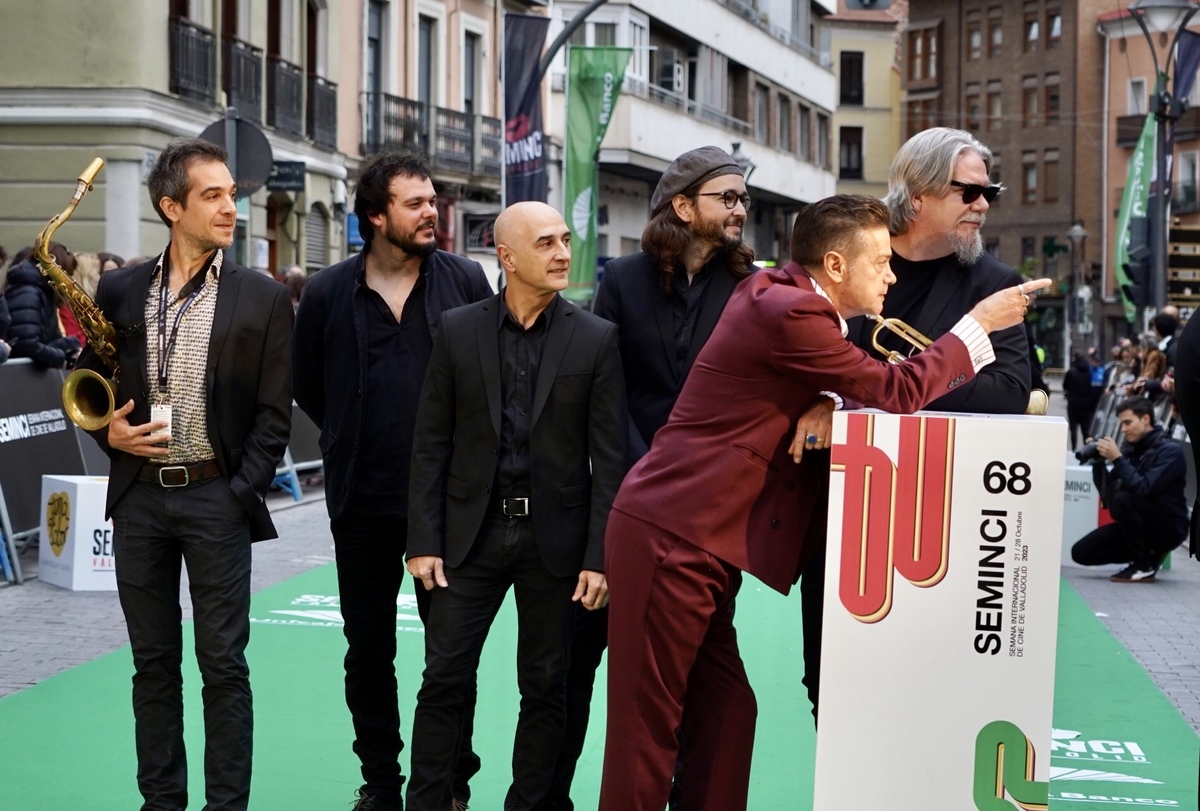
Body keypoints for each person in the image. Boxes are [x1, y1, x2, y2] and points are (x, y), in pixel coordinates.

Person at [599, 195, 1047, 811]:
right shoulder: (791, 311)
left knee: (728, 711)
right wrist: (978, 324)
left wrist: (830, 404)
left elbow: (827, 383)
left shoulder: (789, 300)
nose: (892, 275)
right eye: (881, 262)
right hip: (672, 534)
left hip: (696, 538)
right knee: (645, 730)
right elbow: (896, 389)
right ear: (836, 265)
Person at [74, 137, 293, 811]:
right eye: (213, 195)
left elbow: (273, 415)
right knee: (153, 665)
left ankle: (226, 805)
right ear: (172, 207)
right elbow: (88, 378)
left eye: (232, 193)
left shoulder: (262, 296)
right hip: (140, 499)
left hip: (215, 498)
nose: (231, 206)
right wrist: (102, 428)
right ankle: (161, 801)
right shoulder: (119, 287)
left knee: (224, 665)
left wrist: (236, 494)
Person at [799, 126, 1035, 721]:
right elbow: (799, 362)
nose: (983, 206)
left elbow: (1009, 393)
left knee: (923, 695)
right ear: (920, 192)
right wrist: (827, 396)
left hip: (939, 518)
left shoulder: (993, 285)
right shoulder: (846, 258)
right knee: (829, 683)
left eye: (990, 192)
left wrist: (886, 385)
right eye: (969, 192)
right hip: (839, 513)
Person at [548, 145, 754, 810]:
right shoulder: (625, 279)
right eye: (727, 197)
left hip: (713, 516)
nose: (740, 209)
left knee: (708, 685)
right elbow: (605, 392)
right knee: (611, 677)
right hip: (631, 501)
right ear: (684, 205)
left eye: (743, 199)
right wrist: (646, 477)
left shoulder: (753, 287)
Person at [405, 201, 626, 811]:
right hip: (466, 537)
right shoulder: (457, 329)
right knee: (443, 679)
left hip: (554, 542)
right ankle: (425, 801)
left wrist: (599, 554)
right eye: (547, 243)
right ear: (506, 257)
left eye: (565, 240)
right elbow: (431, 444)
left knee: (546, 686)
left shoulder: (595, 338)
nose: (563, 253)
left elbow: (609, 460)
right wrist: (422, 540)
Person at [292, 151, 492, 811]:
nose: (431, 212)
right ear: (377, 216)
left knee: (451, 651)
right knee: (368, 650)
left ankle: (449, 782)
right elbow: (310, 384)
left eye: (433, 201)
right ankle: (381, 780)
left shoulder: (464, 280)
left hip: (449, 505)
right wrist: (351, 434)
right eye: (415, 203)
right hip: (362, 502)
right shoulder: (326, 293)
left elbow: (492, 375)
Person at [1070, 396, 1187, 583]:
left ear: (1146, 419)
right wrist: (1098, 463)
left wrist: (1117, 458)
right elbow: (1108, 497)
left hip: (1169, 527)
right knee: (1081, 553)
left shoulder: (1170, 451)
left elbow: (1144, 488)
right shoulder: (1130, 449)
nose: (1123, 429)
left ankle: (1142, 566)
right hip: (1138, 526)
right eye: (1122, 424)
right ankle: (1147, 554)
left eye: (1128, 423)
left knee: (1124, 498)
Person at [3, 241, 81, 368]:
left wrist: (70, 346)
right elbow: (26, 344)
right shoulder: (28, 292)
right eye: (67, 274)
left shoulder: (40, 291)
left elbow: (46, 341)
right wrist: (59, 357)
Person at [1064, 352, 1097, 450]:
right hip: (1086, 405)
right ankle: (1087, 449)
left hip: (1073, 404)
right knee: (1086, 430)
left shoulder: (1071, 372)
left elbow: (1065, 385)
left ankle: (1074, 448)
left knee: (1073, 429)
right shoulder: (1089, 372)